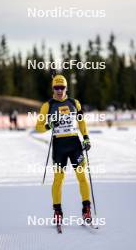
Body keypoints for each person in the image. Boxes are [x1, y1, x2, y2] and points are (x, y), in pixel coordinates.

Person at [36, 74, 92, 224]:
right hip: (59, 146)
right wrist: (50, 125)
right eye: (56, 87)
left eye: (62, 87)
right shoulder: (47, 106)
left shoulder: (75, 103)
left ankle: (86, 209)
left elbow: (81, 123)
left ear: (66, 88)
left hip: (75, 144)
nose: (59, 90)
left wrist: (86, 137)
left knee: (82, 177)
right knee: (59, 180)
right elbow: (38, 127)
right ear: (53, 88)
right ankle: (57, 211)